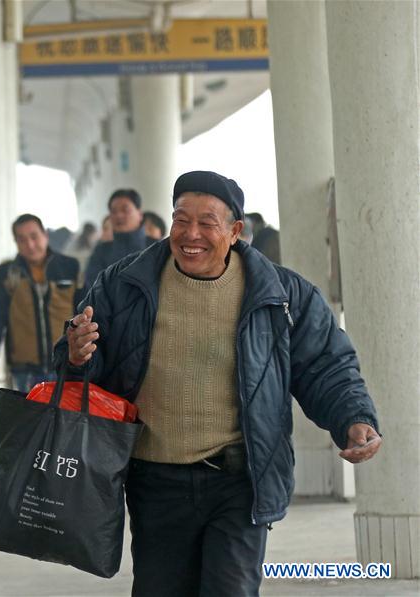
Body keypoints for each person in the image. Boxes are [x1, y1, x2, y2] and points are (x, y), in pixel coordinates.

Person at [57, 170, 381, 596]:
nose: (191, 234)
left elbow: (326, 364)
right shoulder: (124, 284)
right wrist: (76, 355)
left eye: (206, 223)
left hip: (239, 479)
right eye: (181, 219)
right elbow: (77, 364)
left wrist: (353, 418)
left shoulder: (281, 295)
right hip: (155, 481)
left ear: (235, 230)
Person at [0, 214, 83, 393]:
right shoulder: (6, 273)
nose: (30, 245)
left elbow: (84, 312)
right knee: (29, 411)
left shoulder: (70, 267)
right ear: (16, 243)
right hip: (24, 370)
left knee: (65, 412)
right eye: (22, 240)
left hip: (66, 365)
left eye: (34, 236)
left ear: (45, 235)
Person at [84, 188, 152, 289]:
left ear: (140, 215)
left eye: (125, 210)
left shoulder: (155, 247)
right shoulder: (101, 251)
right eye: (114, 211)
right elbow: (93, 286)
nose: (119, 215)